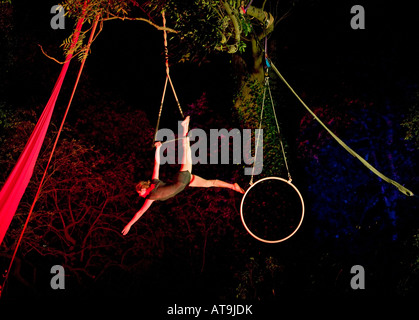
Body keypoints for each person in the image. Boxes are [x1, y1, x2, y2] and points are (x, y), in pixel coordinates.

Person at [122, 116, 245, 235]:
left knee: (186, 148)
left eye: (139, 193)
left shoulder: (151, 196)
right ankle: (233, 186)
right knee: (209, 183)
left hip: (182, 180)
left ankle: (184, 126)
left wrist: (129, 224)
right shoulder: (154, 185)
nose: (140, 195)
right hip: (186, 182)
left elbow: (140, 213)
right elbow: (157, 164)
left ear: (142, 188)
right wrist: (159, 149)